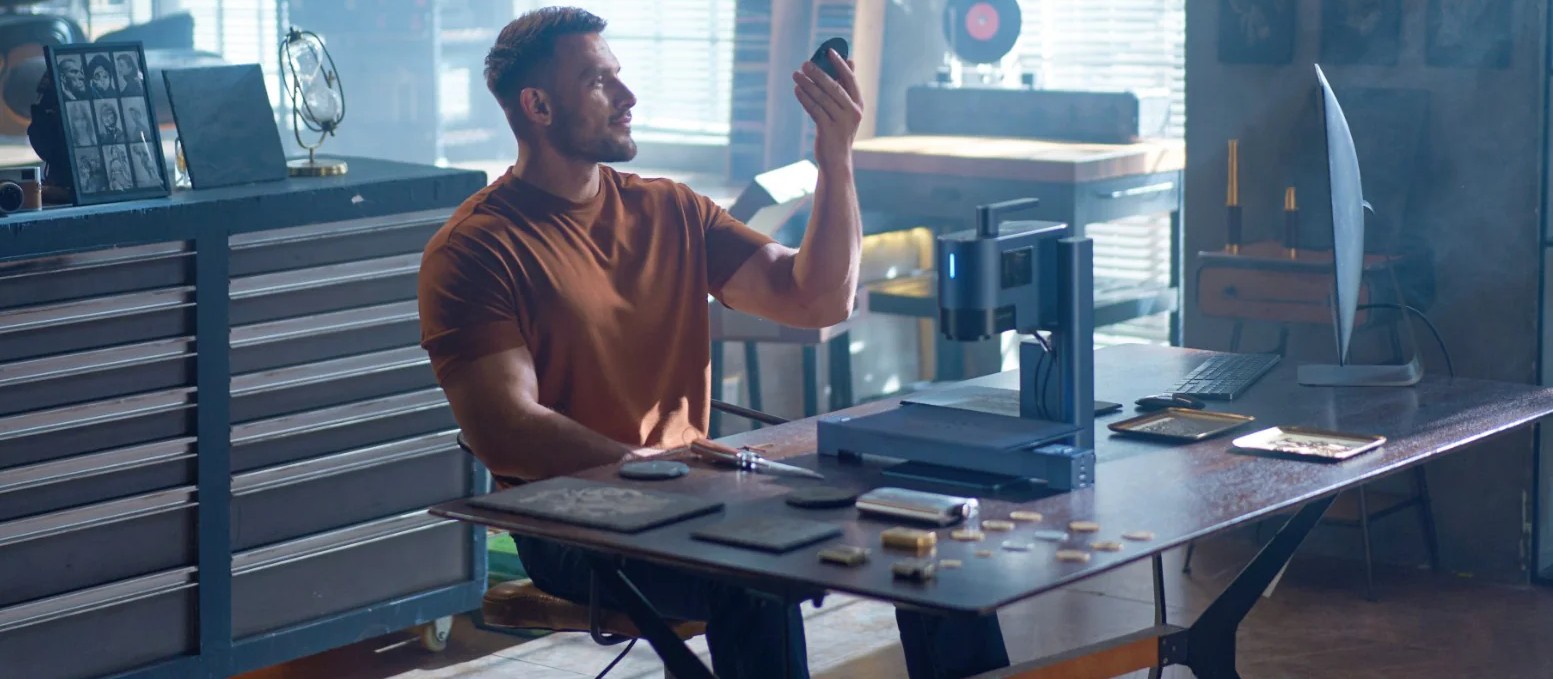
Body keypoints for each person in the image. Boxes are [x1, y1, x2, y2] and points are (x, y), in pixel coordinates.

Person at [417, 7, 1010, 679]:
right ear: (538, 106)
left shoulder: (670, 209)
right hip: (568, 518)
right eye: (598, 81)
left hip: (694, 492)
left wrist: (835, 157)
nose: (628, 96)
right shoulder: (474, 249)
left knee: (918, 529)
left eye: (619, 75)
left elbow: (816, 298)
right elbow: (504, 430)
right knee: (751, 573)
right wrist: (649, 469)